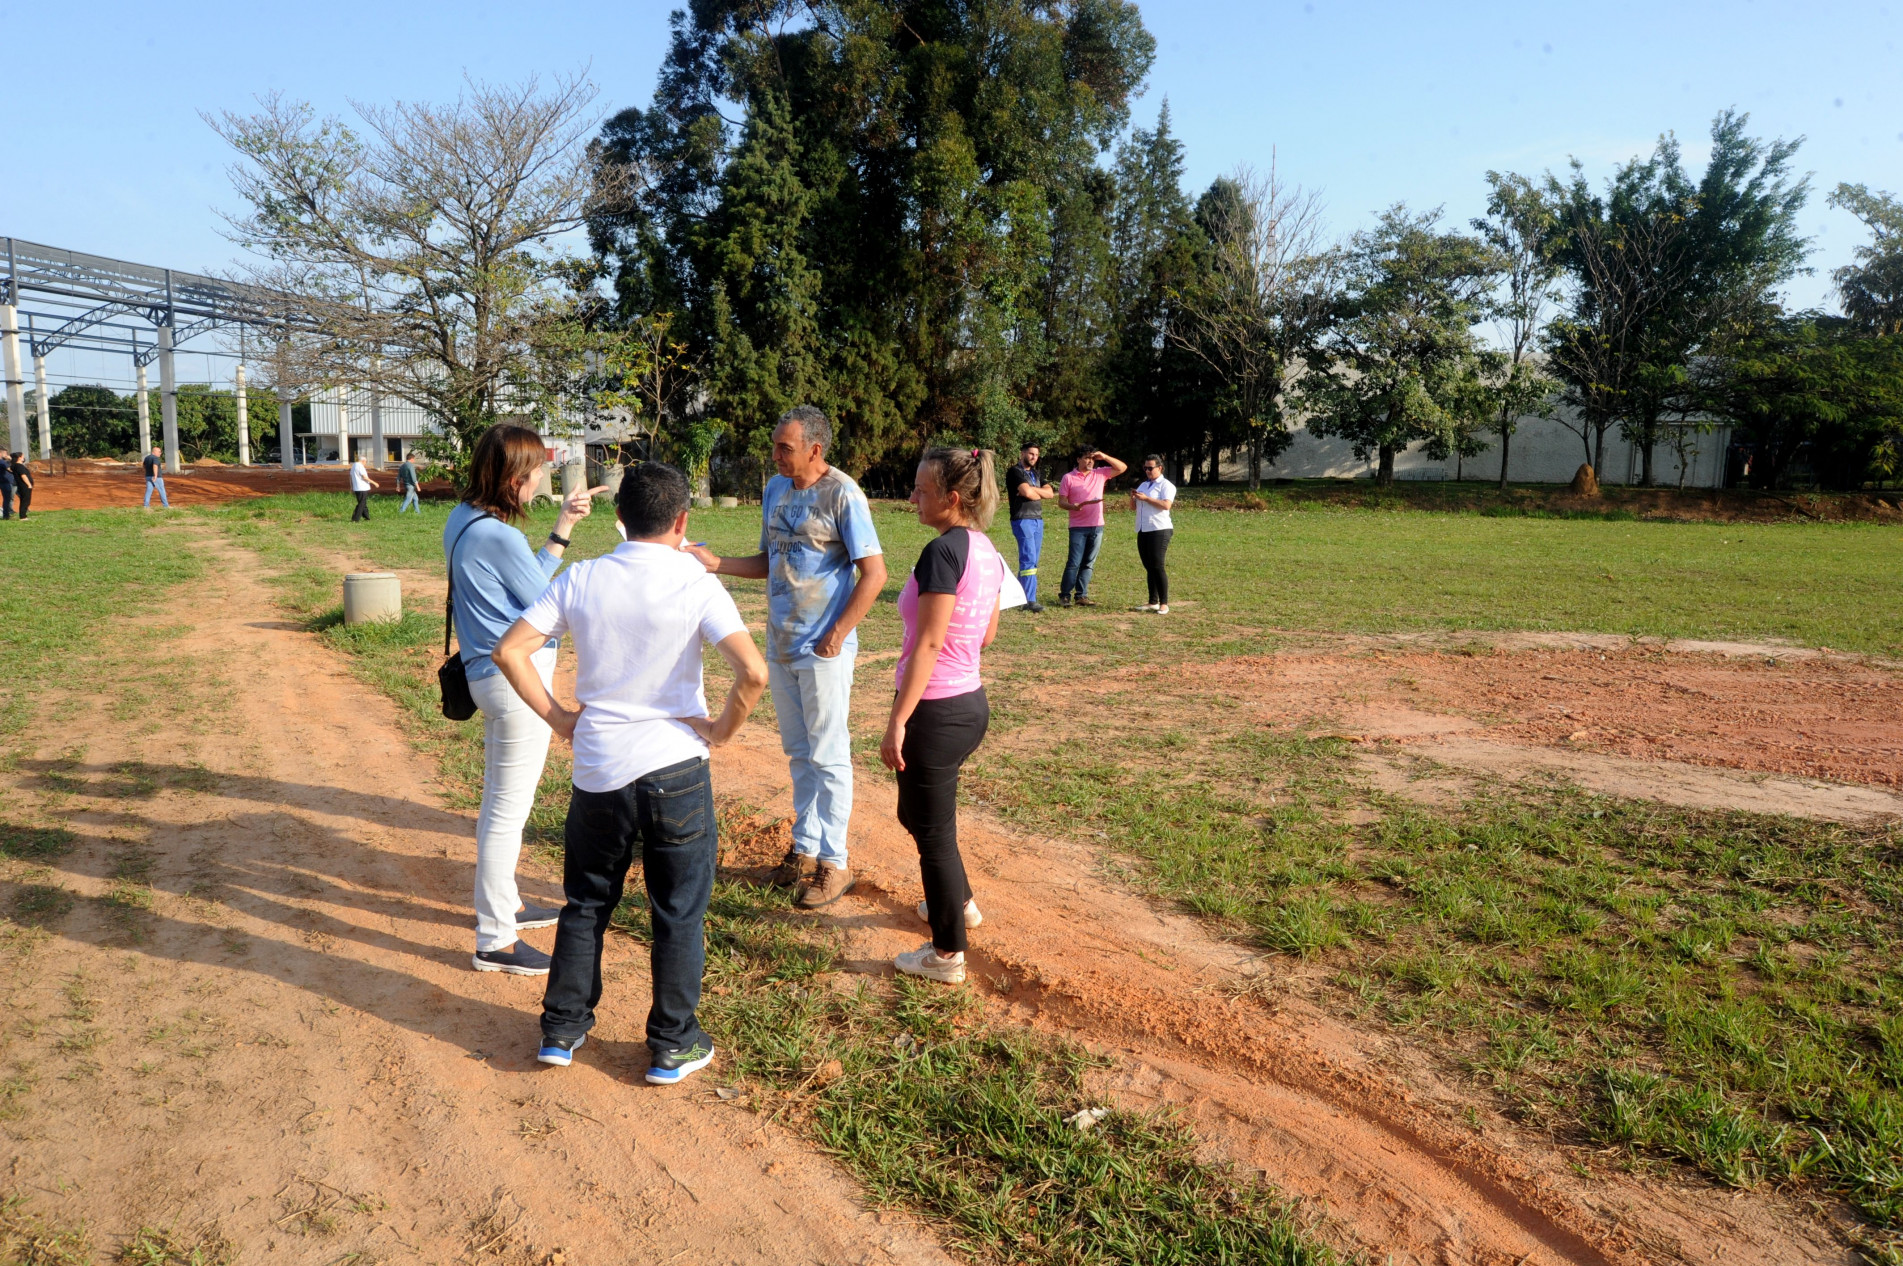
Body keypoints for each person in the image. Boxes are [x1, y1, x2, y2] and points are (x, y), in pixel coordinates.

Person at [493, 461, 769, 1085]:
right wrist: (720, 731)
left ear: (619, 519)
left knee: (587, 902)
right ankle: (672, 1043)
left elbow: (509, 650)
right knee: (678, 911)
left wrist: (560, 719)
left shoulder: (582, 576)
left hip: (599, 771)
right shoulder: (696, 582)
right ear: (682, 521)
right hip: (677, 767)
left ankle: (562, 1029)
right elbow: (753, 673)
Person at [686, 405, 885, 910]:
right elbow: (768, 560)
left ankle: (834, 864)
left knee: (829, 754)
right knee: (799, 752)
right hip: (781, 642)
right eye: (775, 445)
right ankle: (804, 848)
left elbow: (875, 574)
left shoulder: (843, 494)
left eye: (785, 448)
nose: (775, 455)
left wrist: (838, 634)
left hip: (824, 647)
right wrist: (716, 564)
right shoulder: (776, 491)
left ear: (815, 450)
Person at [445, 425, 607, 976]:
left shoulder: (462, 520)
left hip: (487, 676)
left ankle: (508, 905)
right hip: (517, 681)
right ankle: (495, 938)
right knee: (506, 813)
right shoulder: (501, 537)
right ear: (514, 479)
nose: (541, 482)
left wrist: (563, 525)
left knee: (499, 803)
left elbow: (522, 587)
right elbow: (544, 598)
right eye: (536, 473)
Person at [880, 448, 1008, 985]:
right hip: (969, 705)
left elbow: (930, 642)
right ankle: (961, 903)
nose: (913, 498)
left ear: (952, 499)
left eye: (922, 490)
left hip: (935, 711)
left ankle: (946, 954)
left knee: (931, 832)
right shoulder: (987, 551)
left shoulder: (941, 553)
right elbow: (988, 634)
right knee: (920, 818)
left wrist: (898, 721)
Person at [1055, 447, 1126, 607]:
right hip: (1078, 527)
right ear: (1078, 459)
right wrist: (1073, 507)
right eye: (1087, 458)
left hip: (1097, 526)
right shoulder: (1068, 478)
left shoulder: (1100, 474)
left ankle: (1081, 596)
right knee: (1074, 562)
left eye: (1092, 459)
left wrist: (1105, 455)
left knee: (1088, 563)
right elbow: (1061, 501)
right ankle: (1065, 596)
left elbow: (1122, 468)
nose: (1090, 461)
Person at [1005, 442, 1059, 613]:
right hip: (1022, 519)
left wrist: (1032, 490)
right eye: (1031, 454)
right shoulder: (1015, 472)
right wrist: (1034, 492)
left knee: (1033, 560)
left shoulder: (1036, 473)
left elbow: (1050, 493)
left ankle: (1018, 596)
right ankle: (1030, 600)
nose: (1034, 457)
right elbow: (1027, 493)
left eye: (1036, 455)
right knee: (1028, 558)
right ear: (1022, 454)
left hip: (1037, 520)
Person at [1129, 454, 1176, 614]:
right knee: (1149, 566)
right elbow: (1134, 508)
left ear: (1160, 468)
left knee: (1157, 565)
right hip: (1143, 529)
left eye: (1150, 468)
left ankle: (1164, 603)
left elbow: (1166, 505)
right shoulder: (1143, 485)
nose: (1147, 471)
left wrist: (1147, 499)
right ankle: (1152, 601)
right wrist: (1133, 498)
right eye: (1145, 468)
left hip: (1159, 529)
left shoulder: (1166, 485)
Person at [349, 448, 379, 521]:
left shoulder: (353, 466)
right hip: (362, 488)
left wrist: (351, 487)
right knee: (361, 504)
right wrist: (374, 483)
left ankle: (367, 517)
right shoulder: (360, 466)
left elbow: (350, 477)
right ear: (363, 461)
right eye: (365, 462)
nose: (365, 463)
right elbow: (364, 477)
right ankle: (355, 518)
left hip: (356, 488)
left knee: (363, 503)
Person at [142, 443, 169, 509]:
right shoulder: (155, 458)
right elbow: (155, 466)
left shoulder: (147, 458)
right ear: (154, 452)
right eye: (159, 452)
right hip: (156, 477)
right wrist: (155, 475)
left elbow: (144, 466)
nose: (160, 453)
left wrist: (147, 472)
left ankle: (146, 505)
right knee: (162, 490)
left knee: (148, 491)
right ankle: (166, 506)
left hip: (148, 476)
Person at [9, 454, 31, 520]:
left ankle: (23, 515)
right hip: (24, 485)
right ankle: (23, 516)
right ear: (19, 457)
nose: (24, 458)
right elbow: (23, 476)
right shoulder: (19, 466)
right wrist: (29, 484)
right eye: (22, 457)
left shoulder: (15, 466)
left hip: (21, 485)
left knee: (25, 500)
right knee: (25, 500)